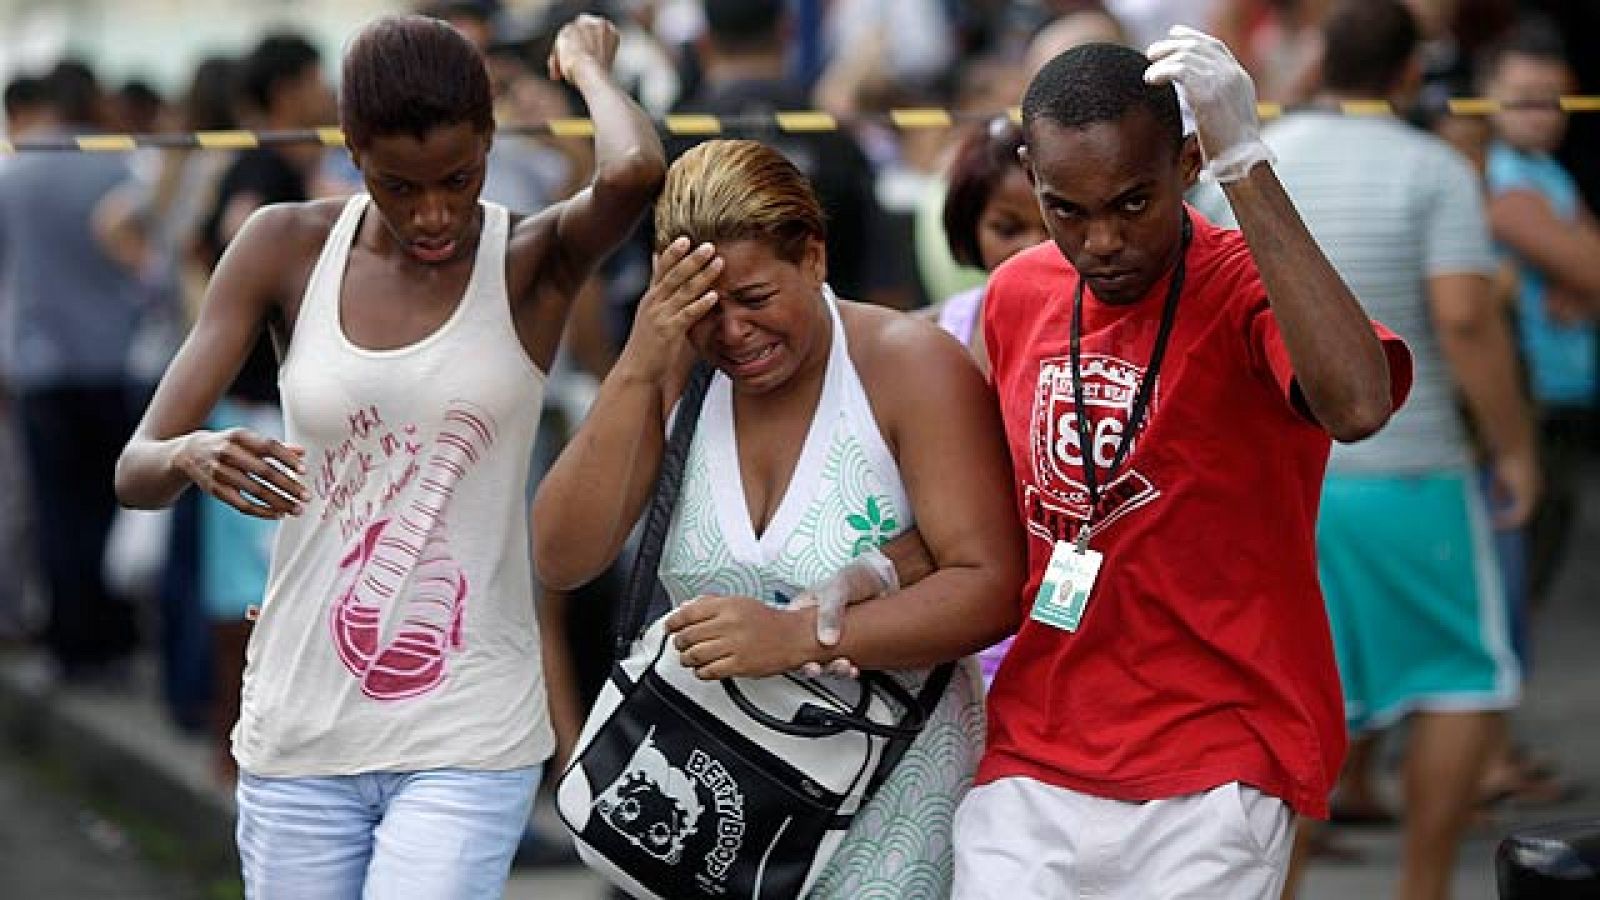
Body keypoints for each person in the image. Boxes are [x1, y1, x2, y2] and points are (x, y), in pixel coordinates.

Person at [114, 13, 664, 897]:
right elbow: (133, 469)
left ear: (489, 142)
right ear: (351, 149)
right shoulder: (285, 246)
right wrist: (190, 453)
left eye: (459, 178)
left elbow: (634, 171)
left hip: (468, 726)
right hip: (302, 722)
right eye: (399, 186)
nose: (434, 213)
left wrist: (589, 68)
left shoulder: (530, 259)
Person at [948, 32, 1413, 899]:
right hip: (1035, 749)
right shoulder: (1016, 293)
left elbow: (1357, 405)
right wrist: (868, 576)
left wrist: (1247, 161)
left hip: (1218, 757)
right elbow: (979, 503)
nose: (1103, 241)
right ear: (1032, 177)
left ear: (1187, 164)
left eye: (1133, 203)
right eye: (1067, 210)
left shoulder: (1250, 285)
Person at [530, 138, 1025, 897]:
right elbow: (563, 557)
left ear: (814, 257)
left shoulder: (908, 365)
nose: (733, 332)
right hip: (717, 833)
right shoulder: (677, 374)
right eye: (706, 306)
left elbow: (988, 584)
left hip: (890, 828)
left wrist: (800, 637)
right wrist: (641, 360)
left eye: (756, 298)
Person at [1196, 5, 1534, 897]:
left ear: (1317, 62)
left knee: (1301, 695)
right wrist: (1515, 448)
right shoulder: (1434, 167)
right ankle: (1423, 890)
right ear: (1409, 74)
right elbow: (1465, 321)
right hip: (1410, 471)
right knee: (1461, 678)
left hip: (1283, 483)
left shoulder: (1248, 166)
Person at [0, 60, 147, 683]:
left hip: (42, 366)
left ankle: (70, 646)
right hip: (116, 360)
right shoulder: (121, 168)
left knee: (56, 512)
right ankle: (117, 640)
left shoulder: (15, 174)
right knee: (115, 502)